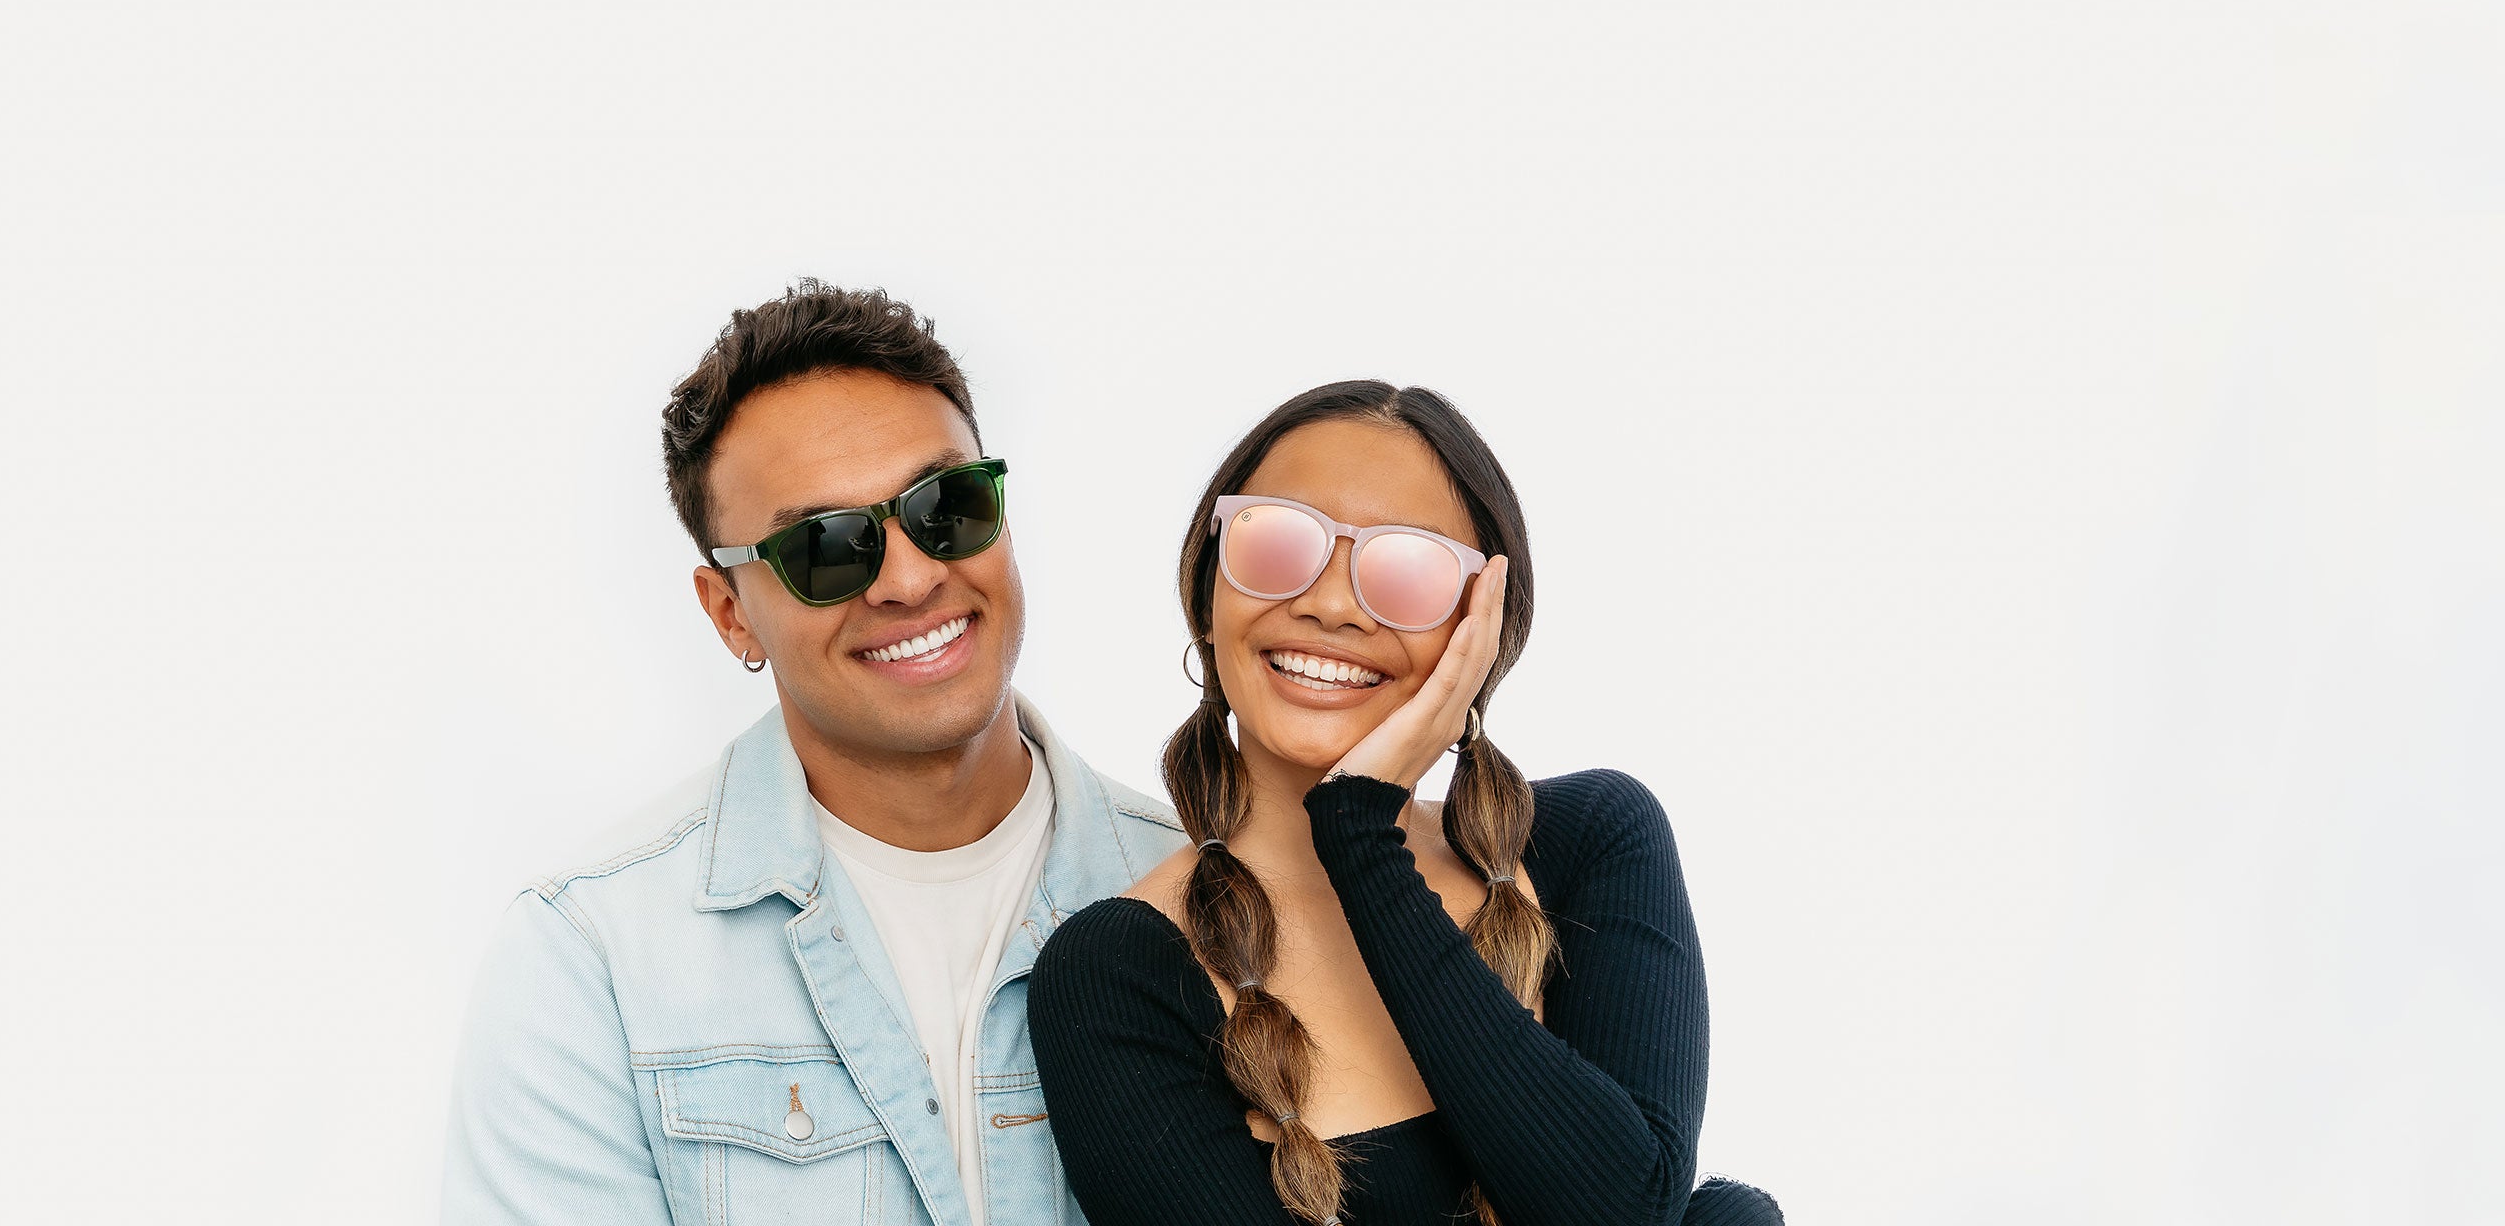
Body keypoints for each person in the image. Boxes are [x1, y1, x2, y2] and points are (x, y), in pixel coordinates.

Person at [442, 281, 1187, 1225]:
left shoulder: (1215, 896)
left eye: (947, 505)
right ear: (729, 613)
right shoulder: (595, 962)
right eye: (828, 548)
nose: (912, 578)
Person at [1027, 382, 1782, 1226]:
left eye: (1410, 569)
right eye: (1277, 543)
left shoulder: (1590, 844)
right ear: (1210, 595)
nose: (1332, 604)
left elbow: (1618, 1212)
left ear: (1483, 627)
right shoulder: (1115, 973)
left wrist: (1363, 835)